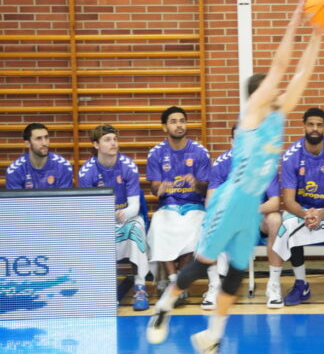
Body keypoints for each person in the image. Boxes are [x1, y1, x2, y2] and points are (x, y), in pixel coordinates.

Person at [147, 0, 324, 353]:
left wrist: (317, 35)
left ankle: (212, 336)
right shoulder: (253, 114)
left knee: (236, 274)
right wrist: (294, 24)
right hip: (231, 200)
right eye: (271, 88)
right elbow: (280, 67)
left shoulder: (278, 113)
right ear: (258, 95)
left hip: (249, 208)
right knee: (203, 264)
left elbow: (301, 75)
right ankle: (163, 306)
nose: (279, 89)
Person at [203, 124, 284, 310]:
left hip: (256, 218)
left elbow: (274, 203)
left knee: (275, 220)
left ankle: (273, 285)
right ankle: (215, 285)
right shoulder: (221, 164)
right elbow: (210, 202)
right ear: (232, 142)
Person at [279, 107, 324, 307]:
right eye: (311, 124)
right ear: (304, 126)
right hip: (300, 209)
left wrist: (321, 214)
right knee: (290, 222)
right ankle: (301, 283)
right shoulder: (291, 155)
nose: (315, 129)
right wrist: (304, 214)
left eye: (319, 124)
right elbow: (288, 200)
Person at [78, 124, 150, 311]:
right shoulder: (87, 172)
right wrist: (107, 216)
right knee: (91, 236)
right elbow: (87, 210)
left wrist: (123, 214)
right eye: (107, 140)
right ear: (96, 144)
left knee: (137, 228)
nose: (113, 143)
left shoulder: (128, 166)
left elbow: (135, 206)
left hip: (126, 217)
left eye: (115, 139)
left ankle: (140, 287)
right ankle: (104, 289)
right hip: (100, 220)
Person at [146, 106, 211, 305]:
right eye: (173, 121)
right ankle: (175, 281)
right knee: (159, 226)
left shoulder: (199, 152)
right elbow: (153, 188)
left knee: (193, 230)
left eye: (182, 120)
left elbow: (206, 187)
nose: (179, 125)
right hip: (169, 207)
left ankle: (180, 279)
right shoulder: (156, 153)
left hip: (194, 206)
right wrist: (161, 188)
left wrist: (197, 184)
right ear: (164, 127)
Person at [6, 123, 73, 189]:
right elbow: (16, 199)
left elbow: (64, 199)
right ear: (27, 144)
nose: (44, 143)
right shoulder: (15, 170)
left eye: (46, 137)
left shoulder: (63, 166)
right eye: (38, 138)